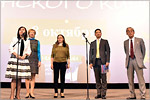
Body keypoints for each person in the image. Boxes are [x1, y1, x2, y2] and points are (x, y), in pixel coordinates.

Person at [5, 26, 31, 99]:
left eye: (23, 30)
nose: (21, 31)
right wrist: (16, 55)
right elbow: (10, 48)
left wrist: (25, 55)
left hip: (23, 60)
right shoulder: (15, 39)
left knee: (19, 79)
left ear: (25, 32)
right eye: (20, 30)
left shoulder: (27, 40)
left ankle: (18, 95)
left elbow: (29, 50)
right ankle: (12, 95)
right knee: (14, 78)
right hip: (15, 59)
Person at [124, 27, 146, 99]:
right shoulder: (125, 42)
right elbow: (126, 52)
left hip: (137, 61)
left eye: (131, 31)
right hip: (129, 61)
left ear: (134, 32)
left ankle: (143, 95)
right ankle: (132, 95)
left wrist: (140, 59)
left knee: (141, 79)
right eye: (128, 31)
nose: (130, 32)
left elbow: (143, 50)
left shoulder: (139, 40)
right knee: (130, 79)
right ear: (126, 33)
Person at [89, 29, 110, 99]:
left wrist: (107, 61)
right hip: (95, 63)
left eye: (99, 32)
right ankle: (99, 93)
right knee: (97, 79)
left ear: (101, 33)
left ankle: (103, 94)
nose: (98, 34)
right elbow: (91, 54)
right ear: (95, 34)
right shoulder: (92, 43)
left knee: (104, 79)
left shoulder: (105, 41)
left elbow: (108, 52)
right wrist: (90, 62)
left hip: (103, 62)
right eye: (96, 33)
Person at [51, 34, 70, 98]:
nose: (59, 39)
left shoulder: (66, 45)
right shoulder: (54, 45)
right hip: (56, 63)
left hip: (63, 63)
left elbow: (68, 56)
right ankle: (56, 92)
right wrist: (51, 64)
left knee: (62, 78)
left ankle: (62, 92)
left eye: (61, 38)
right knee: (56, 78)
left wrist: (68, 63)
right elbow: (52, 55)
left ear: (63, 39)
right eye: (58, 38)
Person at [25, 29, 41, 99]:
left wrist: (39, 60)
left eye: (33, 33)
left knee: (33, 76)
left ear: (34, 34)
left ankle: (32, 92)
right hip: (27, 58)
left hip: (34, 58)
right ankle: (27, 92)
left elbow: (38, 51)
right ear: (28, 34)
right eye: (30, 33)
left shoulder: (37, 42)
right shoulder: (25, 41)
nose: (32, 34)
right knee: (27, 76)